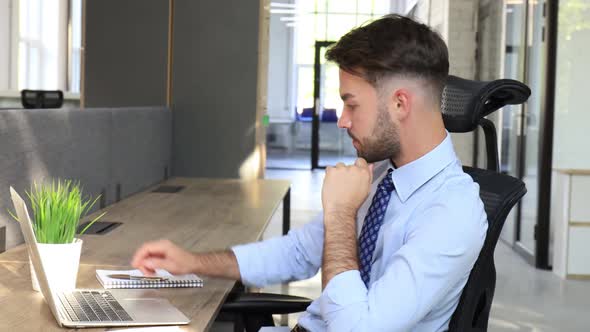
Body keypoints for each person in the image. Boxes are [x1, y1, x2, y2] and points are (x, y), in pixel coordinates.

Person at [132, 14, 487, 332]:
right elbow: (300, 252)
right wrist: (193, 262)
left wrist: (340, 214)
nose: (343, 120)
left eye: (351, 104)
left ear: (399, 104)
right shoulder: (381, 175)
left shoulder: (453, 211)